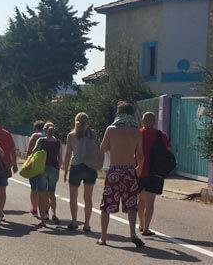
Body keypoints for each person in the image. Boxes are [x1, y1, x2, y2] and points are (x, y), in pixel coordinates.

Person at [99, 101, 145, 247]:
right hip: (130, 171)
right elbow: (140, 155)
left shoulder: (111, 129)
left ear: (118, 113)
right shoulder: (137, 132)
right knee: (132, 204)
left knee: (107, 204)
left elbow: (102, 149)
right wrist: (139, 168)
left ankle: (104, 237)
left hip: (114, 170)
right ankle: (132, 232)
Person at [137, 111, 171, 237]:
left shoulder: (138, 134)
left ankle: (141, 224)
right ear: (154, 121)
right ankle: (146, 228)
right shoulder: (161, 135)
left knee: (141, 201)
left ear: (142, 121)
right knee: (150, 203)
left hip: (140, 171)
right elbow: (169, 151)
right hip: (155, 173)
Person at [63, 112, 99, 232]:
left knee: (73, 197)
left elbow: (68, 154)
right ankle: (87, 224)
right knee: (88, 198)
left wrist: (65, 171)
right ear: (87, 122)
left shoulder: (71, 135)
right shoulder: (93, 134)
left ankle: (74, 222)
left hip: (76, 167)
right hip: (90, 167)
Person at [33, 122, 62, 228]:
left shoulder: (41, 140)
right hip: (54, 169)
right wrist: (58, 169)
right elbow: (60, 159)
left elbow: (33, 152)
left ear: (44, 131)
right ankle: (54, 213)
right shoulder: (58, 142)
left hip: (43, 169)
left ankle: (43, 220)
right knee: (52, 193)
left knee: (42, 194)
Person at [26, 120, 46, 217]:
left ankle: (34, 209)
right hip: (45, 164)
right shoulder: (49, 136)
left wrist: (27, 163)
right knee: (44, 189)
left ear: (35, 127)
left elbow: (29, 150)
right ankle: (45, 210)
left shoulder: (35, 136)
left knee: (34, 189)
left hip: (34, 164)